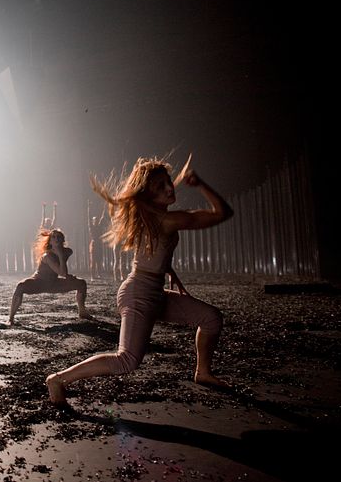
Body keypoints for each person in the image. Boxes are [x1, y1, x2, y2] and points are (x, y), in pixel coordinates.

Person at [45, 156, 233, 407]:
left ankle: (203, 373)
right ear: (147, 196)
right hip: (138, 294)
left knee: (211, 318)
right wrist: (198, 184)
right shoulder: (166, 220)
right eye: (160, 187)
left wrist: (169, 270)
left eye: (169, 182)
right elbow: (222, 213)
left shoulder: (154, 218)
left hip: (154, 292)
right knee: (127, 360)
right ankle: (58, 379)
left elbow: (154, 252)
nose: (170, 188)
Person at [9, 228, 90, 325]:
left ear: (63, 240)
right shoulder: (47, 256)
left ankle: (82, 311)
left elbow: (64, 270)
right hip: (39, 282)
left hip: (54, 283)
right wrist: (60, 255)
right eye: (54, 237)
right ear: (50, 241)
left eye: (59, 237)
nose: (56, 239)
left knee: (81, 283)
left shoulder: (67, 251)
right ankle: (11, 318)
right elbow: (62, 273)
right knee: (21, 286)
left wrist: (68, 275)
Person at [87, 199, 106, 280]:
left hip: (99, 244)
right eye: (95, 220)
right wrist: (89, 207)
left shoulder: (99, 226)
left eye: (97, 220)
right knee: (93, 261)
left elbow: (103, 216)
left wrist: (105, 206)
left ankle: (99, 274)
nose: (96, 220)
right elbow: (89, 217)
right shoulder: (91, 227)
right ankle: (92, 276)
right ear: (93, 221)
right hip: (94, 244)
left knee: (99, 260)